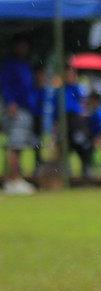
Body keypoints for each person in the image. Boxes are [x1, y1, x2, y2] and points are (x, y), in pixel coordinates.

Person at [1, 36, 37, 194]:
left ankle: (16, 178)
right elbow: (5, 85)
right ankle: (12, 180)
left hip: (25, 108)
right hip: (15, 108)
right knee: (15, 144)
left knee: (19, 144)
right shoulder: (9, 64)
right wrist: (11, 102)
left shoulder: (25, 64)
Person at [79, 92, 101, 178]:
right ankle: (86, 169)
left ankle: (88, 170)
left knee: (87, 148)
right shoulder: (92, 111)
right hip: (91, 137)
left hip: (99, 138)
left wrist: (99, 139)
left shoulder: (100, 112)